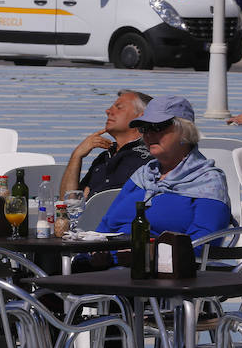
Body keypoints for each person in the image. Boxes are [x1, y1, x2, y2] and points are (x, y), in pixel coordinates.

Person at [96, 96, 231, 256]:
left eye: (157, 127)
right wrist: (91, 253)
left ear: (184, 132)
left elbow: (205, 243)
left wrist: (148, 253)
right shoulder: (143, 175)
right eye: (144, 128)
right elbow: (105, 226)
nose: (148, 134)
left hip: (159, 268)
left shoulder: (207, 181)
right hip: (110, 263)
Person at [59, 90, 153, 199]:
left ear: (140, 117)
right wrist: (77, 156)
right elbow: (67, 201)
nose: (108, 111)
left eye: (119, 108)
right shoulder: (103, 158)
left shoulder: (150, 159)